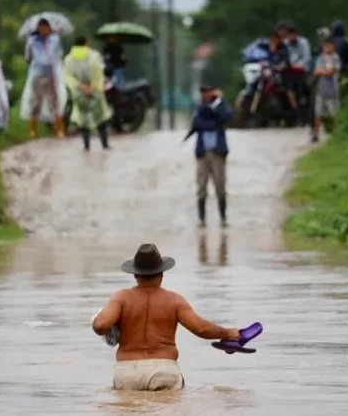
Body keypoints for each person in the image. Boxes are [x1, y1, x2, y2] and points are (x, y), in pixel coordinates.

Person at [92, 243, 240, 391]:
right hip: (164, 370)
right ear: (161, 273)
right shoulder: (174, 300)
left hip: (128, 372)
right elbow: (201, 328)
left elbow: (101, 326)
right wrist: (227, 333)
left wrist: (98, 320)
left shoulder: (121, 298)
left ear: (135, 274)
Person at [183, 86, 232, 228]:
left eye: (208, 92)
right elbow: (197, 122)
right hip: (203, 153)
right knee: (201, 186)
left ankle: (223, 218)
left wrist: (219, 103)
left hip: (218, 153)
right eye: (204, 92)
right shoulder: (198, 107)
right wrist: (215, 123)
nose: (206, 94)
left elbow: (227, 116)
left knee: (220, 186)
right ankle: (202, 219)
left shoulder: (221, 106)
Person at [63, 36, 112, 151]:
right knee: (100, 118)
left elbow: (68, 77)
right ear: (86, 43)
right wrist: (92, 87)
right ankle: (105, 145)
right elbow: (98, 74)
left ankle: (86, 146)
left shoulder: (68, 59)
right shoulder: (94, 56)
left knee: (83, 119)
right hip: (95, 91)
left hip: (79, 92)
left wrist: (81, 87)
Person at [21, 18, 66, 139]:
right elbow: (27, 57)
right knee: (36, 101)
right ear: (38, 28)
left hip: (52, 73)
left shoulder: (55, 39)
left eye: (46, 27)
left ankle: (59, 128)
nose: (44, 29)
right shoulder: (32, 41)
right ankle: (32, 129)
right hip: (37, 73)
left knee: (55, 101)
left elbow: (59, 53)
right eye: (41, 27)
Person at [312, 37, 341, 143]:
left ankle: (338, 134)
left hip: (332, 90)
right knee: (318, 113)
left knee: (335, 114)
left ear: (333, 46)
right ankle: (315, 134)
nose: (326, 47)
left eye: (328, 45)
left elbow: (331, 72)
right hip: (321, 90)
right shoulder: (320, 58)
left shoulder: (335, 58)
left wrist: (322, 71)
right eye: (324, 45)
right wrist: (324, 71)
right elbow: (316, 71)